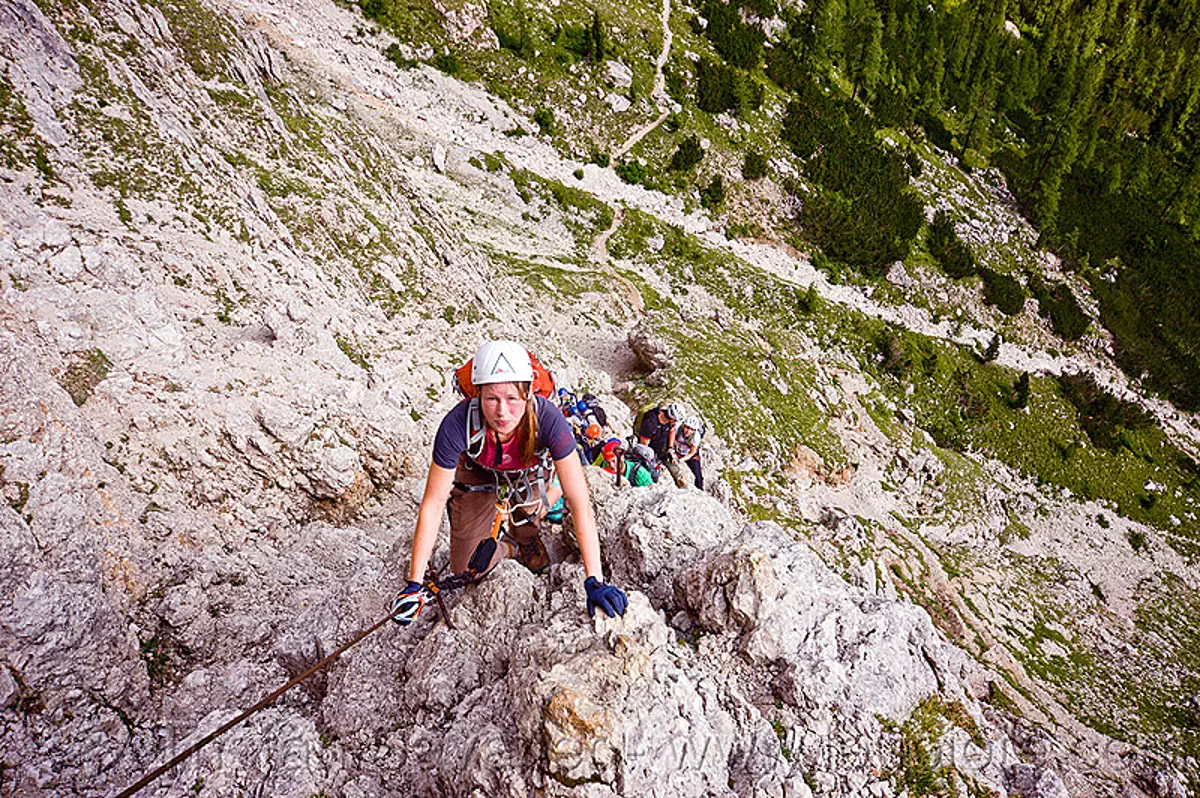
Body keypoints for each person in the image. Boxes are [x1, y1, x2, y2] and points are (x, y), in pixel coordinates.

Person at [390, 341, 628, 624]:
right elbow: (433, 503)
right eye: (492, 399)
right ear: (477, 395)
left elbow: (579, 503)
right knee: (465, 569)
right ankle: (508, 548)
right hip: (477, 472)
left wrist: (595, 580)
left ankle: (524, 540)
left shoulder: (549, 421)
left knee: (529, 519)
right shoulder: (458, 424)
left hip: (528, 469)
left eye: (512, 399)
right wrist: (414, 584)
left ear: (528, 394)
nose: (502, 411)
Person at [667, 416, 704, 490]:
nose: (688, 431)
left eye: (692, 429)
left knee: (698, 475)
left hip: (688, 453)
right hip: (676, 449)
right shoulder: (678, 428)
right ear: (684, 425)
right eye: (687, 427)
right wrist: (671, 449)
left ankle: (700, 490)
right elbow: (672, 436)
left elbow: (692, 452)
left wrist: (680, 460)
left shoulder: (696, 437)